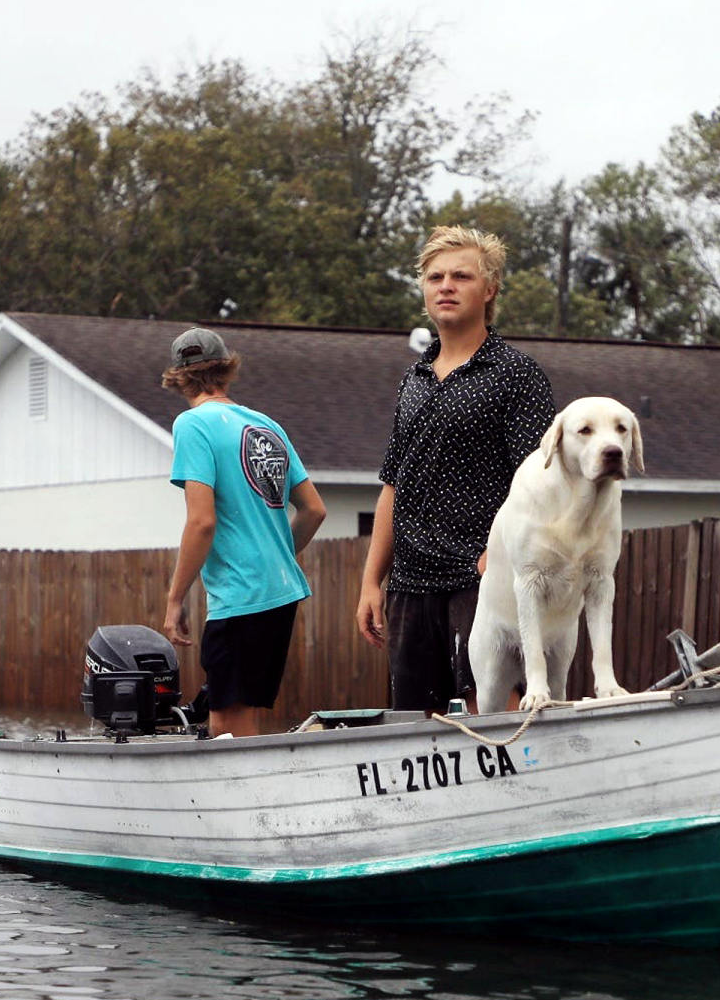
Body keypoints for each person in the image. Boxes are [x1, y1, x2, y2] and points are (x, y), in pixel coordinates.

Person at [356, 225, 556, 713]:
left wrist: (501, 551)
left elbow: (540, 482)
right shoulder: (413, 379)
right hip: (409, 585)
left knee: (491, 709)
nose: (445, 285)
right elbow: (392, 486)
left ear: (488, 290)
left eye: (461, 276)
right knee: (414, 724)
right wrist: (370, 582)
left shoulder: (516, 375)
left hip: (482, 578)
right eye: (435, 276)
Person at [162, 327, 327, 738]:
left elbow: (202, 522)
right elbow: (313, 510)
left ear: (179, 377)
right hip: (282, 592)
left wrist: (175, 598)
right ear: (227, 370)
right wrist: (276, 554)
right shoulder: (266, 425)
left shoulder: (192, 425)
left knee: (226, 725)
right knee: (244, 712)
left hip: (240, 596)